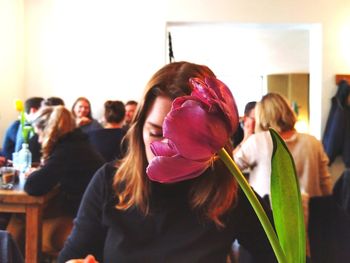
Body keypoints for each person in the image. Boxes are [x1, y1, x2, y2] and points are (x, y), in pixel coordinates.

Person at [58, 62, 276, 263]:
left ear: (211, 138)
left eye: (183, 138)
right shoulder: (110, 183)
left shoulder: (229, 192)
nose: (166, 150)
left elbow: (280, 255)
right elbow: (72, 256)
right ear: (139, 130)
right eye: (155, 133)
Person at [233, 93, 332, 259]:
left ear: (262, 116)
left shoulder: (258, 141)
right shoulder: (313, 142)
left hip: (270, 226)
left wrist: (246, 137)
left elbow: (230, 168)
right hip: (312, 226)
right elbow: (326, 184)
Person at [7, 106, 105, 254]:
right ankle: (9, 253)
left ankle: (8, 253)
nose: (39, 140)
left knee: (25, 227)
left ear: (48, 131)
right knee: (21, 218)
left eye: (39, 134)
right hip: (93, 217)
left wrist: (36, 173)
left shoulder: (67, 150)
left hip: (87, 226)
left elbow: (33, 187)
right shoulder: (77, 143)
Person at [1, 97, 43, 162]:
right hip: (9, 165)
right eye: (43, 111)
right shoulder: (17, 126)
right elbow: (25, 148)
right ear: (33, 110)